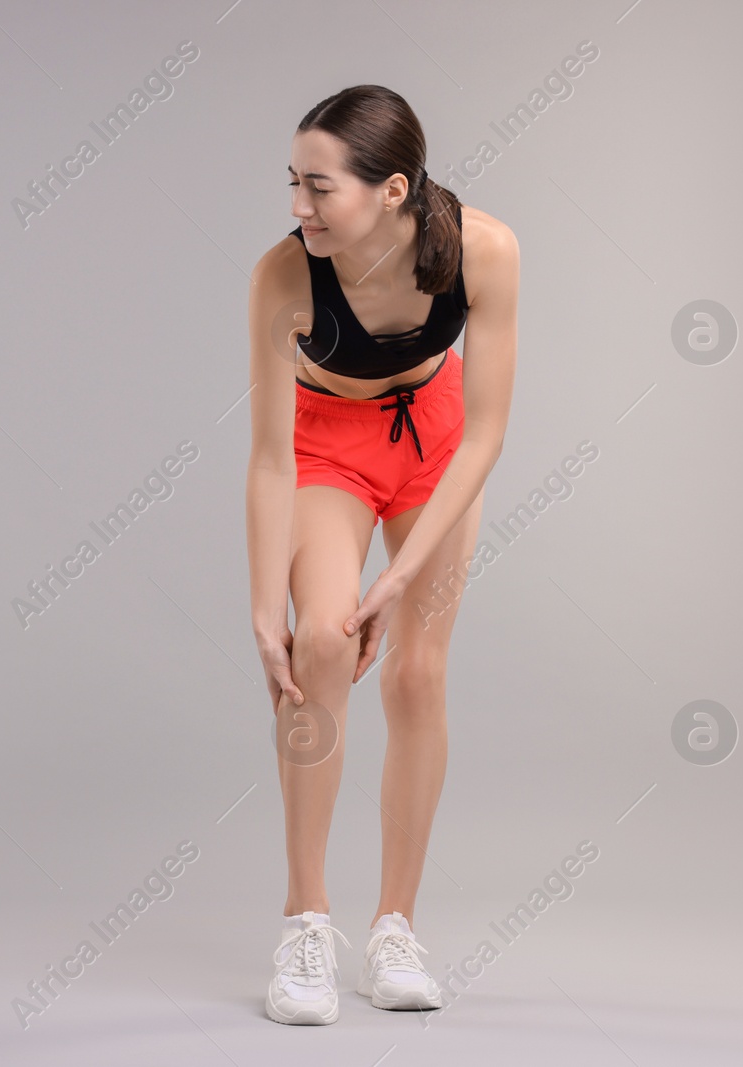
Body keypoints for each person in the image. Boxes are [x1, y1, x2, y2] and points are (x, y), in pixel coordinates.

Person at [246, 85, 519, 1024]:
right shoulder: (284, 276)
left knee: (417, 676)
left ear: (392, 189)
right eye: (293, 183)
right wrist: (260, 611)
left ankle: (395, 924)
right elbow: (272, 456)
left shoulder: (481, 247)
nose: (297, 207)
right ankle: (305, 923)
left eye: (317, 187)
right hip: (326, 446)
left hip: (437, 445)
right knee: (321, 643)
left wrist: (400, 578)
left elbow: (485, 434)